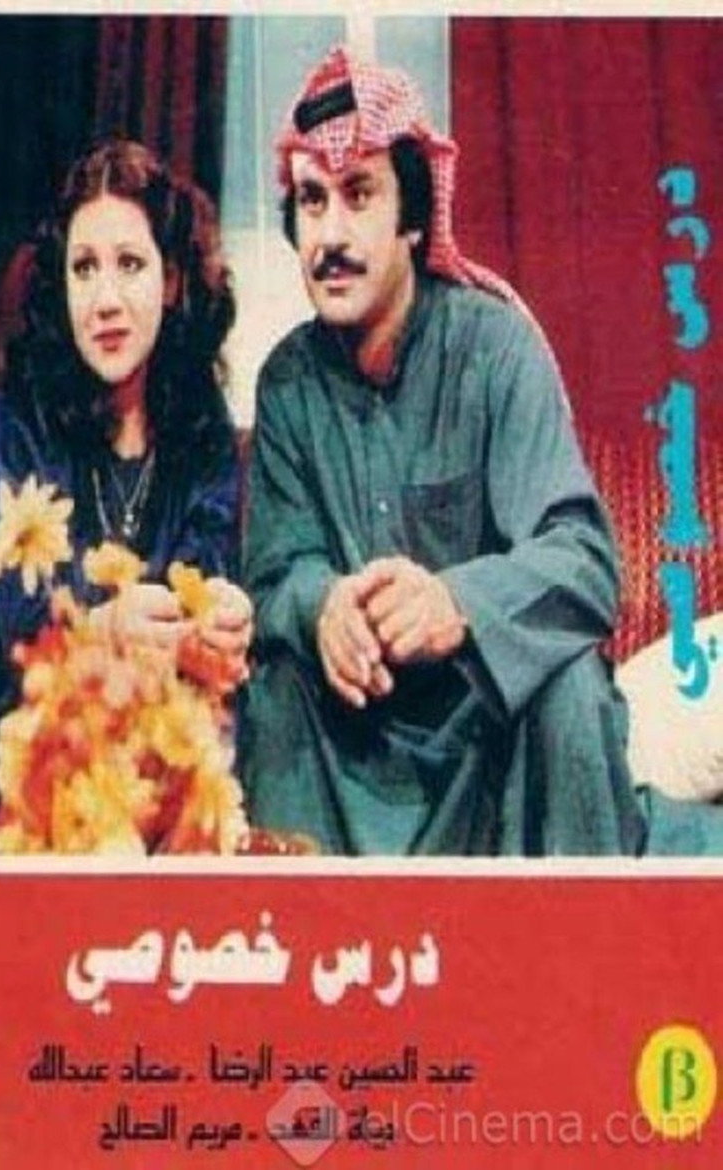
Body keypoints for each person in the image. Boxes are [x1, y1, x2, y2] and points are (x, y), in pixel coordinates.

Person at [239, 47, 722, 856]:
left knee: (569, 681)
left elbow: (584, 561)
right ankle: (301, 929)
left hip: (491, 741)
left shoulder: (495, 349)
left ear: (413, 219)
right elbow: (274, 574)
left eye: (359, 195)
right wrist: (324, 607)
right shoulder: (287, 381)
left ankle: (583, 931)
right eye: (313, 202)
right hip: (355, 743)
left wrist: (455, 604)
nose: (331, 235)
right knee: (278, 685)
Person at [0, 139, 252, 852]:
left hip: (158, 725)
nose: (106, 299)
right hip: (20, 732)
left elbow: (205, 573)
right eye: (85, 268)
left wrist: (222, 618)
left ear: (172, 280)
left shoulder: (201, 420)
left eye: (130, 264)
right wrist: (104, 628)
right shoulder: (20, 415)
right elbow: (17, 613)